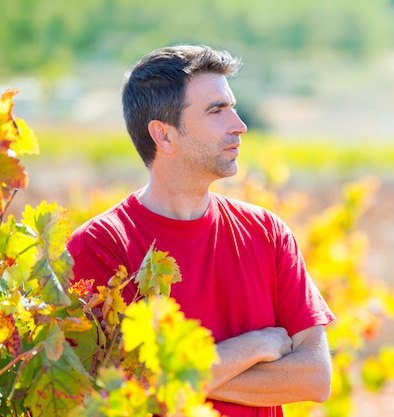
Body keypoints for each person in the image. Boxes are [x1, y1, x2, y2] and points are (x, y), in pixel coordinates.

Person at [67, 44, 335, 417]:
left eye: (233, 107)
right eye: (216, 111)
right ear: (164, 136)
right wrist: (251, 347)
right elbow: (106, 392)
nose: (239, 125)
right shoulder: (100, 247)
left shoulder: (267, 233)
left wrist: (173, 380)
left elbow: (315, 379)